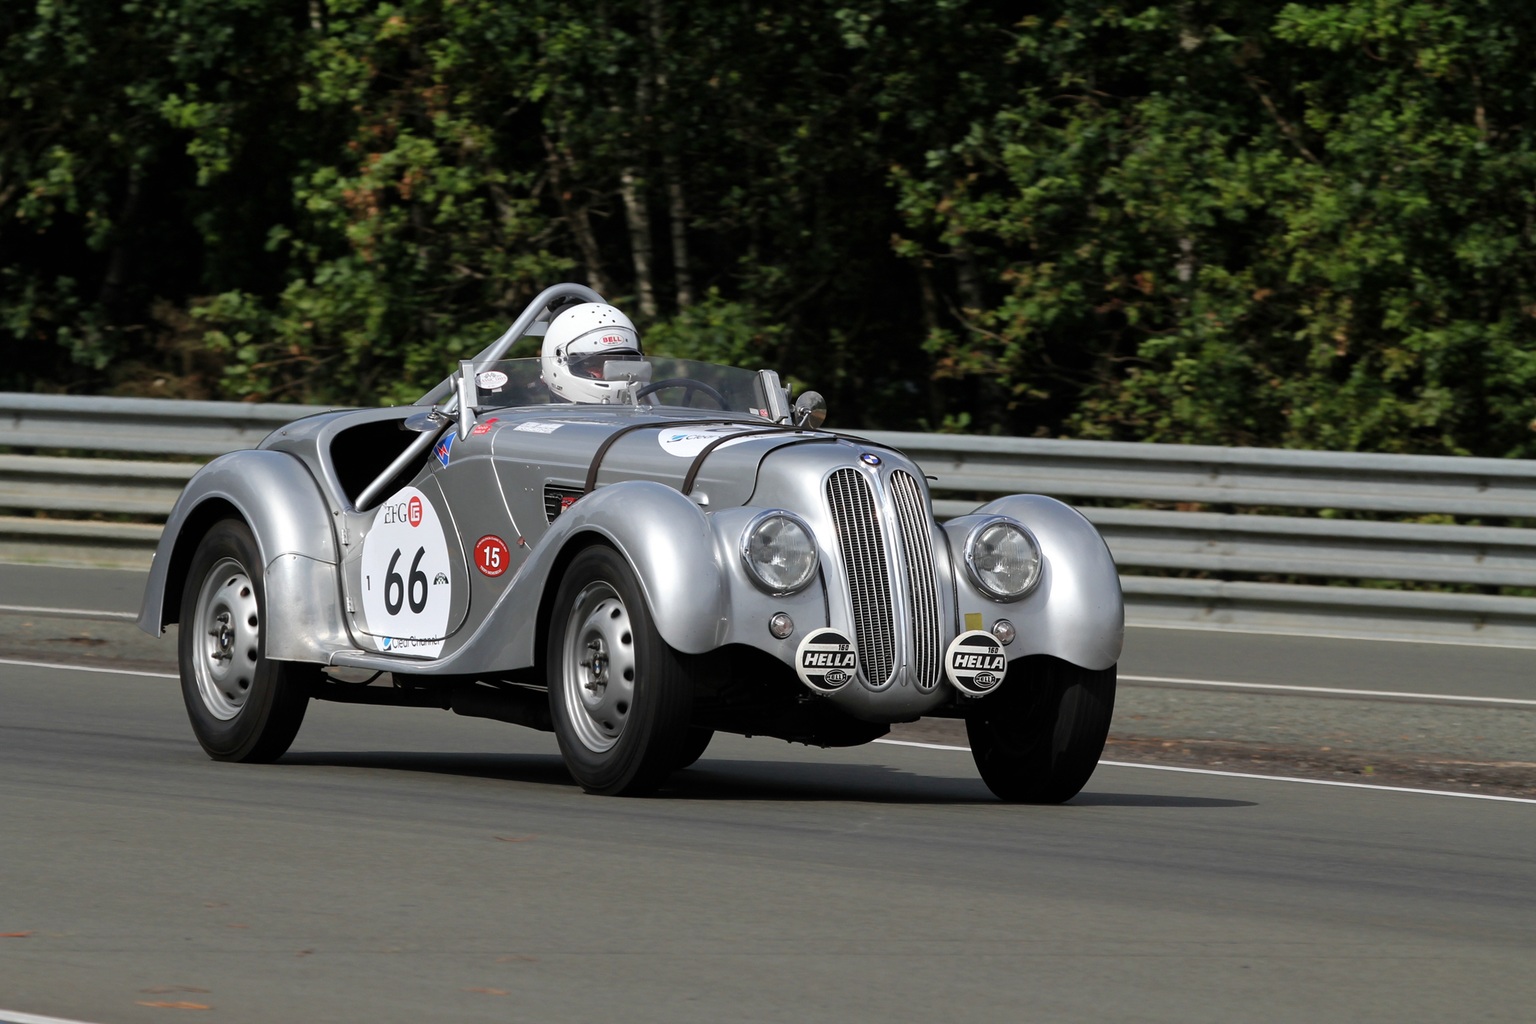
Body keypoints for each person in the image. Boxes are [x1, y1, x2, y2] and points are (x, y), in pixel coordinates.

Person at [540, 302, 644, 403]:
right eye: (593, 365)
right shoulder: (535, 420)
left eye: (620, 365)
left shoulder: (651, 418)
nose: (607, 374)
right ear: (558, 360)